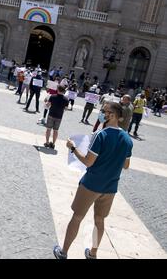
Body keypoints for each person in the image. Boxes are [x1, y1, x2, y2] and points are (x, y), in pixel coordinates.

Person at [54, 102, 133, 260]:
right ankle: (93, 253)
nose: (102, 113)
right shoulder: (127, 139)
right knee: (99, 220)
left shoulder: (101, 134)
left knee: (77, 217)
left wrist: (72, 148)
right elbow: (126, 165)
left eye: (104, 111)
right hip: (110, 186)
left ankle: (63, 252)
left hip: (91, 184)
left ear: (112, 115)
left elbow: (88, 162)